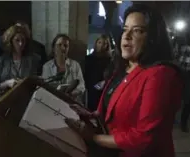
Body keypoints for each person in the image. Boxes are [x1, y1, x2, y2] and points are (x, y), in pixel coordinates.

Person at [66, 4, 183, 157]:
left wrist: (94, 138)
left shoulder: (161, 74)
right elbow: (114, 111)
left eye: (137, 31)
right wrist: (93, 114)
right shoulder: (123, 68)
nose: (126, 36)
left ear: (153, 37)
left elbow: (144, 138)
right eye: (125, 29)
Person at [0, 24, 41, 97]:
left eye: (23, 40)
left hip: (28, 99)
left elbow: (38, 80)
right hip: (6, 100)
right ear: (10, 41)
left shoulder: (34, 59)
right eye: (17, 40)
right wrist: (6, 84)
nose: (20, 43)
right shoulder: (0, 61)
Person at [42, 34, 85, 103]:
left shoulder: (75, 65)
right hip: (53, 102)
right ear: (53, 48)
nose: (63, 48)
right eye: (59, 45)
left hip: (71, 102)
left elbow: (81, 86)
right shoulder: (47, 66)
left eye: (66, 46)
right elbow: (45, 87)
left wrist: (72, 94)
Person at [84, 34, 112, 111]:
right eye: (99, 42)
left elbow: (112, 76)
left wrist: (105, 82)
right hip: (90, 91)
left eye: (104, 43)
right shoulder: (88, 59)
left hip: (104, 91)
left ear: (107, 45)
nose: (101, 45)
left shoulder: (110, 61)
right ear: (96, 43)